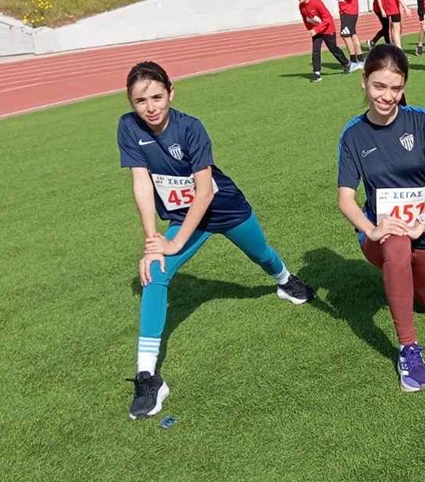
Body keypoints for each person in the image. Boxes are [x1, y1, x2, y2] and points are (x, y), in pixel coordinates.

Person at [119, 61, 314, 419]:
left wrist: (175, 243)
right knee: (154, 274)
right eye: (140, 101)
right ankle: (147, 377)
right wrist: (153, 242)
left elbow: (205, 191)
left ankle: (286, 280)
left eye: (157, 97)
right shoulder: (129, 127)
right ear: (130, 102)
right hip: (183, 217)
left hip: (224, 208)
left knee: (262, 254)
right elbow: (141, 182)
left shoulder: (190, 128)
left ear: (171, 92)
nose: (150, 107)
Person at [337, 44, 425, 391]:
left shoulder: (420, 120)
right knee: (396, 244)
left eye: (395, 88)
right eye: (379, 86)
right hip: (381, 234)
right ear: (364, 81)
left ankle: (400, 277)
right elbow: (346, 199)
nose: (387, 96)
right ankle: (408, 350)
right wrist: (372, 229)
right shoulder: (353, 135)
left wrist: (421, 222)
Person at [295, 0, 351, 82]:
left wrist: (315, 29)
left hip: (328, 29)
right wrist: (310, 29)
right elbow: (305, 19)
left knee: (333, 48)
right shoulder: (301, 6)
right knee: (315, 50)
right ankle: (316, 73)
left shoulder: (317, 2)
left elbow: (327, 19)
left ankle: (346, 63)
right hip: (316, 31)